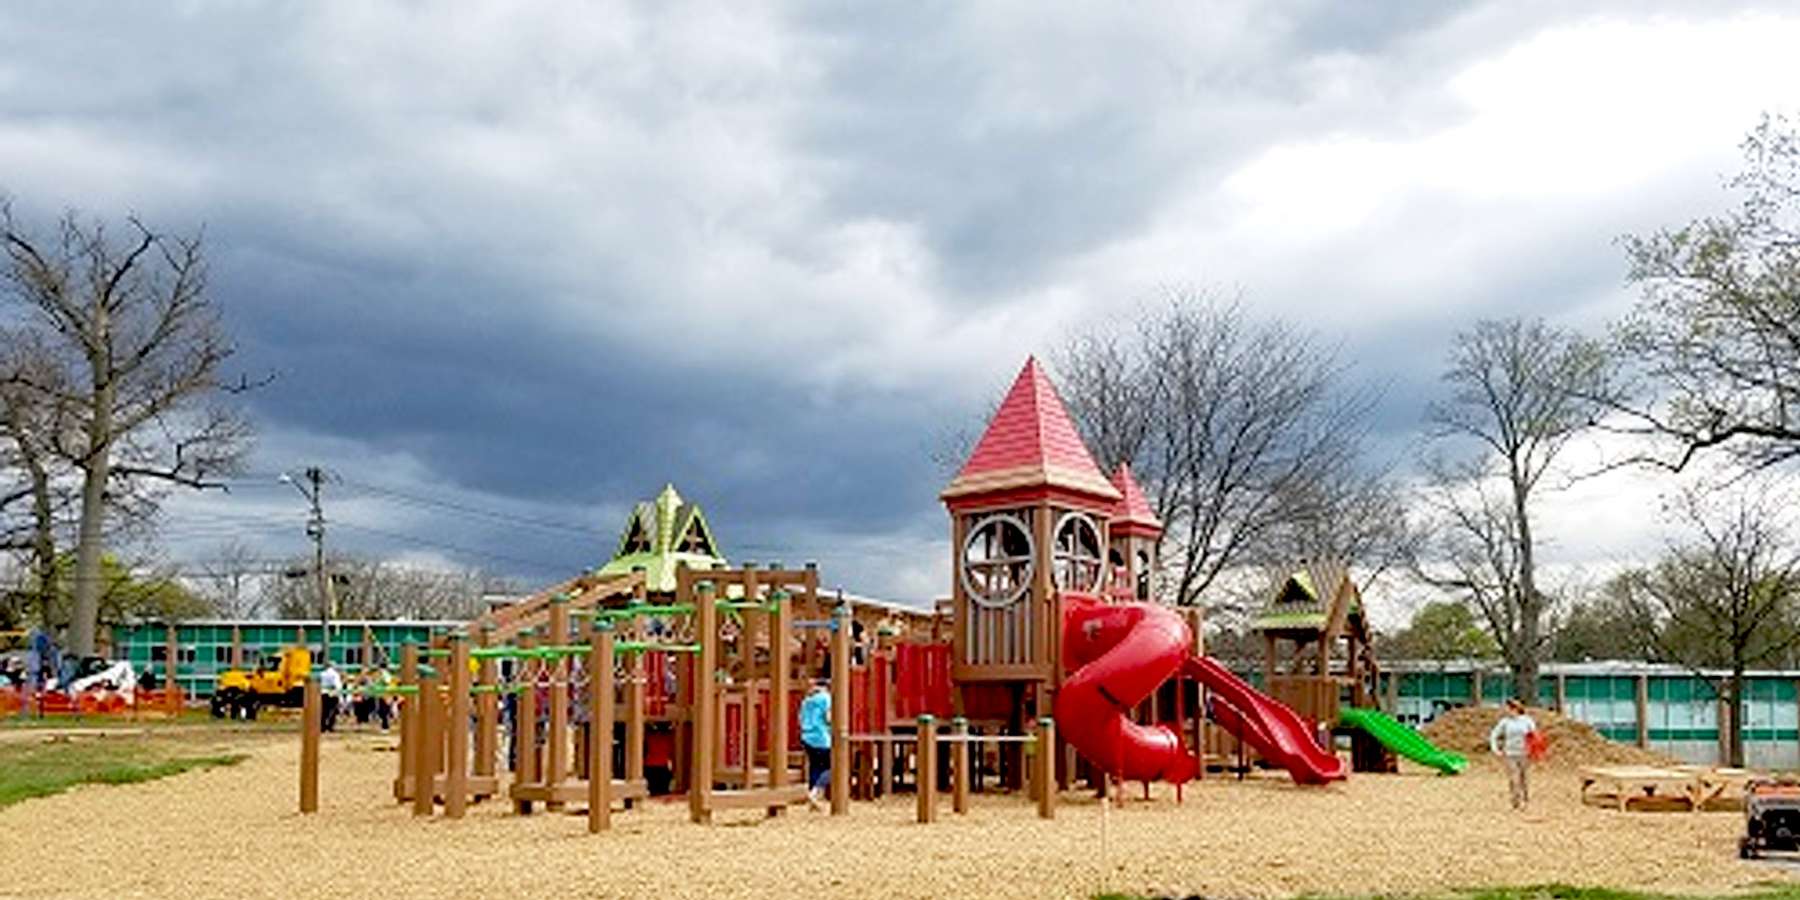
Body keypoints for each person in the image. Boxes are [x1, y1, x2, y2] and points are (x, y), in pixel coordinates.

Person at [1488, 697, 1538, 810]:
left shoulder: (1527, 720)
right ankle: (1515, 802)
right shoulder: (1504, 722)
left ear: (1515, 709)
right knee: (1513, 779)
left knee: (1524, 778)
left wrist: (1534, 750)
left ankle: (1526, 800)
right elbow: (1494, 735)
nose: (1506, 711)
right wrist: (1495, 749)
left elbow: (1534, 735)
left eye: (1508, 708)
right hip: (1510, 753)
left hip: (1525, 753)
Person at [799, 677, 832, 811]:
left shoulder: (806, 700)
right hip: (821, 737)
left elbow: (800, 719)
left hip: (806, 737)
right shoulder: (826, 698)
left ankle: (813, 795)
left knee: (815, 767)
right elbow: (828, 718)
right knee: (832, 767)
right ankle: (815, 792)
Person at [318, 661, 343, 732]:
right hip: (332, 693)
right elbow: (337, 685)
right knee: (333, 710)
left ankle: (322, 726)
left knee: (324, 711)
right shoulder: (335, 674)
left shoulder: (322, 674)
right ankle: (330, 726)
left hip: (323, 693)